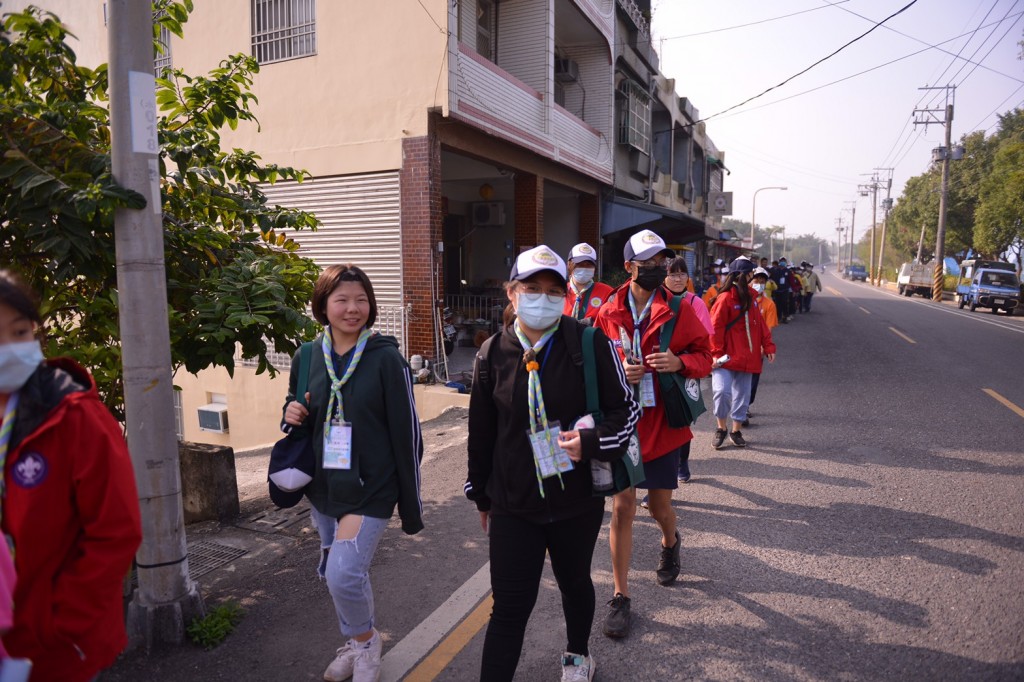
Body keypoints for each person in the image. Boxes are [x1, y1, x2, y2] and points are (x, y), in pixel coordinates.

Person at [466, 245, 639, 682]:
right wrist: (481, 495)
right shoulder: (492, 353)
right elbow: (482, 432)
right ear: (512, 292)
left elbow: (627, 411)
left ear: (565, 295)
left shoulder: (587, 341)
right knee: (508, 607)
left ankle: (578, 657)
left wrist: (590, 441)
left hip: (575, 500)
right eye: (531, 288)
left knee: (574, 583)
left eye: (552, 290)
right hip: (512, 502)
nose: (541, 297)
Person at [282, 264, 424, 682]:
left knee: (344, 572)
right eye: (342, 299)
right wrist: (290, 412)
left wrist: (410, 505)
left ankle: (366, 645)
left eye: (361, 299)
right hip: (324, 487)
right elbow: (299, 411)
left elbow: (408, 434)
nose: (352, 308)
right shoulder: (307, 355)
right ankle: (358, 640)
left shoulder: (387, 360)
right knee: (336, 572)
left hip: (371, 488)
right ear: (323, 305)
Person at [0, 269, 142, 682]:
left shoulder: (75, 415)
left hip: (53, 647)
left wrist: (61, 625)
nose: (9, 347)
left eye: (20, 331)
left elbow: (116, 532)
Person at [594, 229, 712, 639]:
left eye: (662, 261)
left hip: (663, 427)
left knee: (658, 507)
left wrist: (679, 361)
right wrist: (617, 372)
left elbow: (705, 356)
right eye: (649, 263)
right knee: (623, 506)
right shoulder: (607, 311)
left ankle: (670, 540)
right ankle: (621, 597)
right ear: (629, 267)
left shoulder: (679, 310)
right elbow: (592, 363)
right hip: (623, 424)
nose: (658, 269)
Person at [709, 259, 777, 449]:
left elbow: (761, 326)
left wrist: (769, 346)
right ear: (743, 276)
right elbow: (715, 328)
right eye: (750, 275)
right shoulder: (725, 299)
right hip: (725, 358)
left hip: (748, 357)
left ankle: (736, 430)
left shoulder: (751, 298)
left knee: (742, 396)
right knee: (721, 392)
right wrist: (716, 354)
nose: (753, 279)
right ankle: (721, 428)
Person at [662, 256, 713, 483]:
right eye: (673, 274)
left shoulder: (695, 303)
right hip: (660, 368)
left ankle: (682, 464)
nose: (678, 279)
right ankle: (662, 474)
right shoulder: (657, 301)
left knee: (682, 418)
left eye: (682, 274)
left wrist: (684, 360)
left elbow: (705, 339)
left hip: (685, 369)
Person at [745, 267, 779, 427]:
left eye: (762, 281)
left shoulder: (769, 304)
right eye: (756, 280)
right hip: (740, 345)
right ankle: (740, 406)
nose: (758, 284)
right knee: (738, 378)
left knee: (753, 378)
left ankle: (745, 405)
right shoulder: (743, 300)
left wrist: (764, 348)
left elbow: (768, 329)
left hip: (757, 348)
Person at [562, 242, 614, 324]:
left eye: (589, 265)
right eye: (580, 264)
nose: (584, 268)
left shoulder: (607, 292)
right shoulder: (560, 291)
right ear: (569, 265)